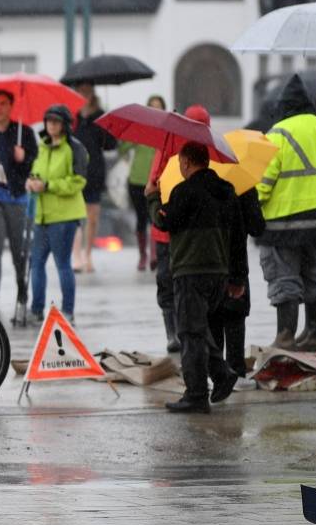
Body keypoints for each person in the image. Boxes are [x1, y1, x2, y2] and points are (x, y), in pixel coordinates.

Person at [256, 75, 316, 350]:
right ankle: (314, 335)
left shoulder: (277, 134)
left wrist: (256, 206)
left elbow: (263, 183)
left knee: (284, 278)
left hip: (282, 224)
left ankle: (285, 335)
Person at [152, 141, 239, 413]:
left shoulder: (184, 191)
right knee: (199, 330)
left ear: (187, 162)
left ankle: (196, 394)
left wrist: (152, 198)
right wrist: (237, 277)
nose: (180, 166)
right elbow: (236, 237)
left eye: (180, 161)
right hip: (218, 272)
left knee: (190, 333)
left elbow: (164, 222)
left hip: (190, 271)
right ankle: (222, 375)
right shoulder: (226, 192)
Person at [145, 103, 214, 353]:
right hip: (172, 230)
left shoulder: (206, 151)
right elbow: (154, 180)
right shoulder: (169, 146)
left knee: (171, 281)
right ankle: (175, 332)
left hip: (170, 229)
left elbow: (151, 184)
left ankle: (177, 332)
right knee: (173, 281)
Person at [26, 105, 88, 324]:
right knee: (36, 264)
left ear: (64, 124)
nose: (51, 124)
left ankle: (68, 311)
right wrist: (31, 182)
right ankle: (36, 310)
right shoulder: (41, 147)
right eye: (48, 120)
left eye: (56, 120)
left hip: (64, 216)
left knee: (62, 264)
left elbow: (78, 181)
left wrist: (49, 185)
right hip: (42, 216)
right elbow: (36, 172)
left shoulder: (73, 148)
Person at [0, 90, 38, 311]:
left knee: (19, 250)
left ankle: (22, 292)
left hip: (17, 197)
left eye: (3, 103)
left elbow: (34, 166)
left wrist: (23, 159)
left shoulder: (25, 133)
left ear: (10, 106)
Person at [209, 175, 266, 380]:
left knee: (212, 321)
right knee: (234, 317)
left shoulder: (195, 186)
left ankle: (217, 376)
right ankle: (235, 370)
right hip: (235, 264)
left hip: (206, 266)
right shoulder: (242, 183)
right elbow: (257, 227)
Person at [70, 84, 117, 273]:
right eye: (81, 91)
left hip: (95, 171)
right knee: (74, 215)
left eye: (88, 92)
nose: (85, 95)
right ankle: (76, 255)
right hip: (75, 170)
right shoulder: (72, 118)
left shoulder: (101, 117)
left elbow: (111, 145)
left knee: (93, 216)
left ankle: (88, 254)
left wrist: (107, 129)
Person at [118, 95, 166, 272]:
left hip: (156, 181)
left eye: (158, 106)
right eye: (152, 106)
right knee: (141, 219)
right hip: (137, 180)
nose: (155, 109)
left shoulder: (165, 130)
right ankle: (143, 255)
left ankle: (154, 254)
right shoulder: (141, 129)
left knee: (155, 217)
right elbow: (122, 148)